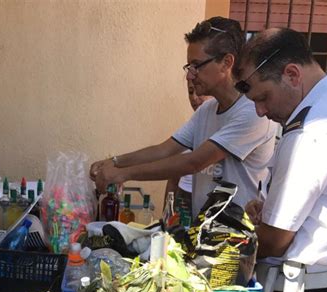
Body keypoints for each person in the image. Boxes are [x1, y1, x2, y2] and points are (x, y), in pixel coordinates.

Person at [90, 17, 277, 221]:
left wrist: (123, 174)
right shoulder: (207, 110)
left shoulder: (252, 113)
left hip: (235, 240)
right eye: (189, 67)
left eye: (197, 66)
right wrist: (114, 162)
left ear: (226, 63)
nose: (190, 75)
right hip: (203, 232)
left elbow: (193, 163)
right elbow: (164, 150)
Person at [236, 28, 327, 292]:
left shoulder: (312, 132)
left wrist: (249, 228)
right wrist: (268, 209)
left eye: (262, 97)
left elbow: (275, 239)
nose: (260, 111)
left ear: (292, 74)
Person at [165, 80, 212, 214]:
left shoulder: (222, 130)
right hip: (183, 198)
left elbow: (193, 163)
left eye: (200, 92)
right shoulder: (187, 130)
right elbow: (173, 179)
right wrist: (166, 216)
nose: (194, 97)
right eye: (191, 92)